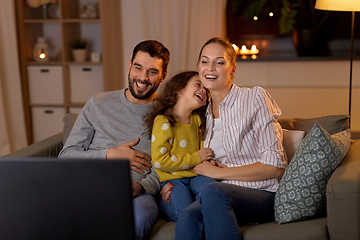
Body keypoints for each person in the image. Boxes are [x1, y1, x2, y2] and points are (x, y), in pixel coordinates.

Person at [164, 37, 287, 240]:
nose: (210, 68)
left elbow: (274, 166)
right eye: (204, 61)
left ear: (233, 69)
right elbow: (181, 156)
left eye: (219, 62)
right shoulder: (200, 113)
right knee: (187, 217)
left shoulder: (254, 98)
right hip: (217, 195)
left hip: (262, 195)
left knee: (213, 192)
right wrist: (170, 185)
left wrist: (219, 173)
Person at [58, 40, 170, 240]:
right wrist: (111, 154)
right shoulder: (98, 103)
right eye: (138, 68)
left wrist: (142, 187)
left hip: (137, 196)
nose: (143, 78)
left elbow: (168, 166)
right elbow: (66, 156)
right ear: (129, 66)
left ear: (163, 75)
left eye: (152, 72)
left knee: (141, 216)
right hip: (90, 188)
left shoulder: (167, 113)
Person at [143, 71, 216, 223]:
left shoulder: (197, 120)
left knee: (214, 195)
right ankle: (163, 203)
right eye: (198, 84)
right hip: (174, 181)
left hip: (196, 176)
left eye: (206, 89)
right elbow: (160, 161)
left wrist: (208, 162)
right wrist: (197, 157)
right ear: (179, 89)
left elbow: (203, 151)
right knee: (185, 213)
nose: (203, 90)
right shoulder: (163, 121)